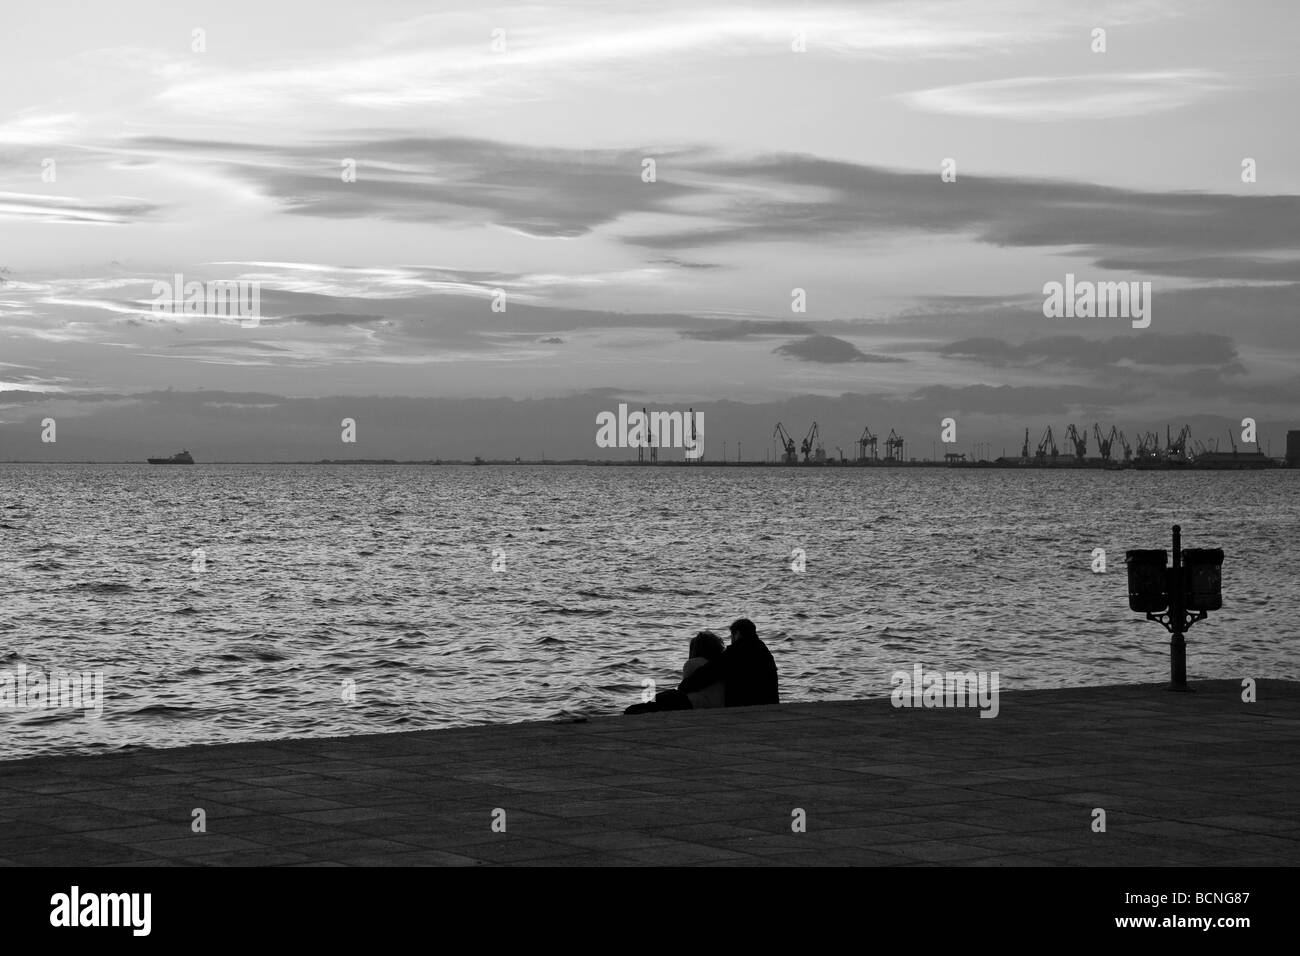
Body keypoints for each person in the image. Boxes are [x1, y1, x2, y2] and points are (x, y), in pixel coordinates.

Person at [677, 618, 778, 707]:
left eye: (731, 637)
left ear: (737, 634)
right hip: (770, 703)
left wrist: (683, 687)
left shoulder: (737, 651)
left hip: (745, 705)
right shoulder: (764, 652)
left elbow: (708, 673)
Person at [624, 631, 726, 715]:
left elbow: (686, 689)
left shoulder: (692, 663)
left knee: (658, 699)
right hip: (719, 704)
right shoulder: (720, 664)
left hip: (696, 703)